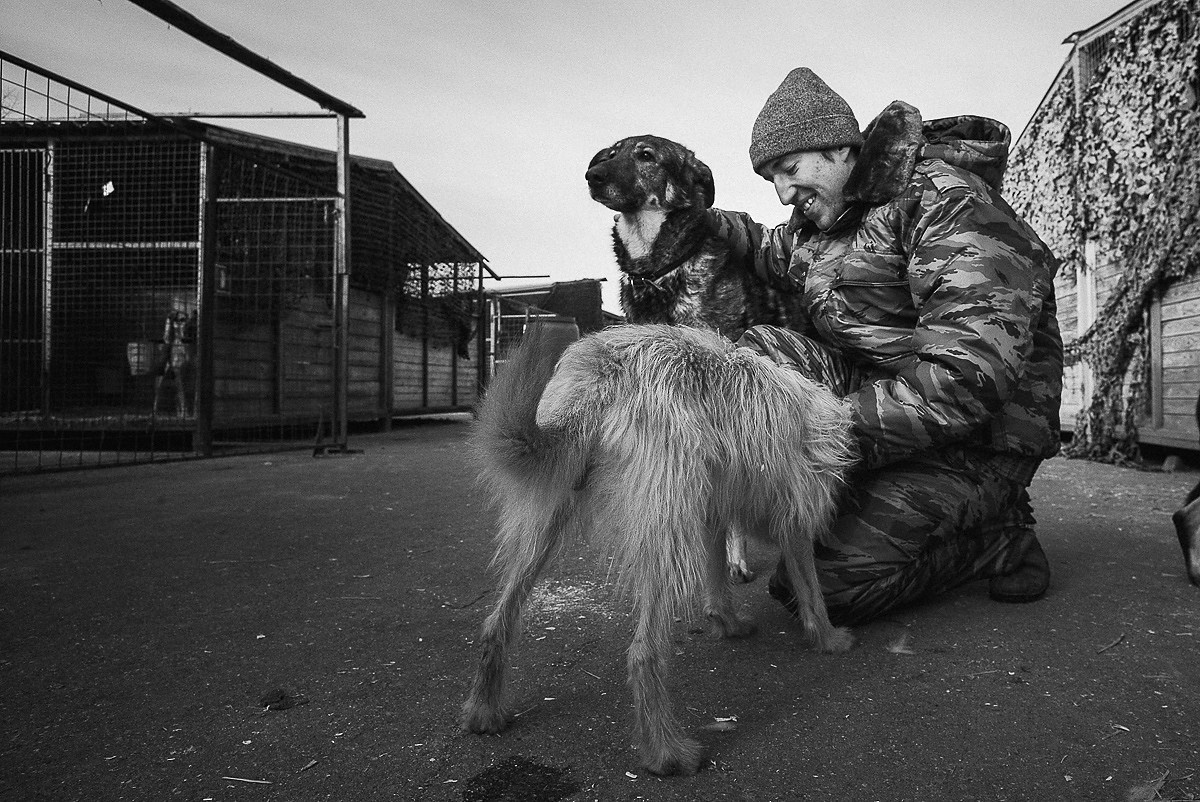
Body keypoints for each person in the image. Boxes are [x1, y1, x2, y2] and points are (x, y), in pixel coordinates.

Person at [706, 67, 1064, 626]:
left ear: (841, 150)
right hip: (886, 416)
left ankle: (997, 535)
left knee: (816, 590)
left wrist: (819, 429)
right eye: (770, 178)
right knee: (756, 354)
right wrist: (694, 215)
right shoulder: (822, 224)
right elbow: (764, 248)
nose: (782, 192)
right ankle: (862, 492)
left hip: (977, 440)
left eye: (790, 168)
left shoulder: (946, 204)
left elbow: (967, 378)